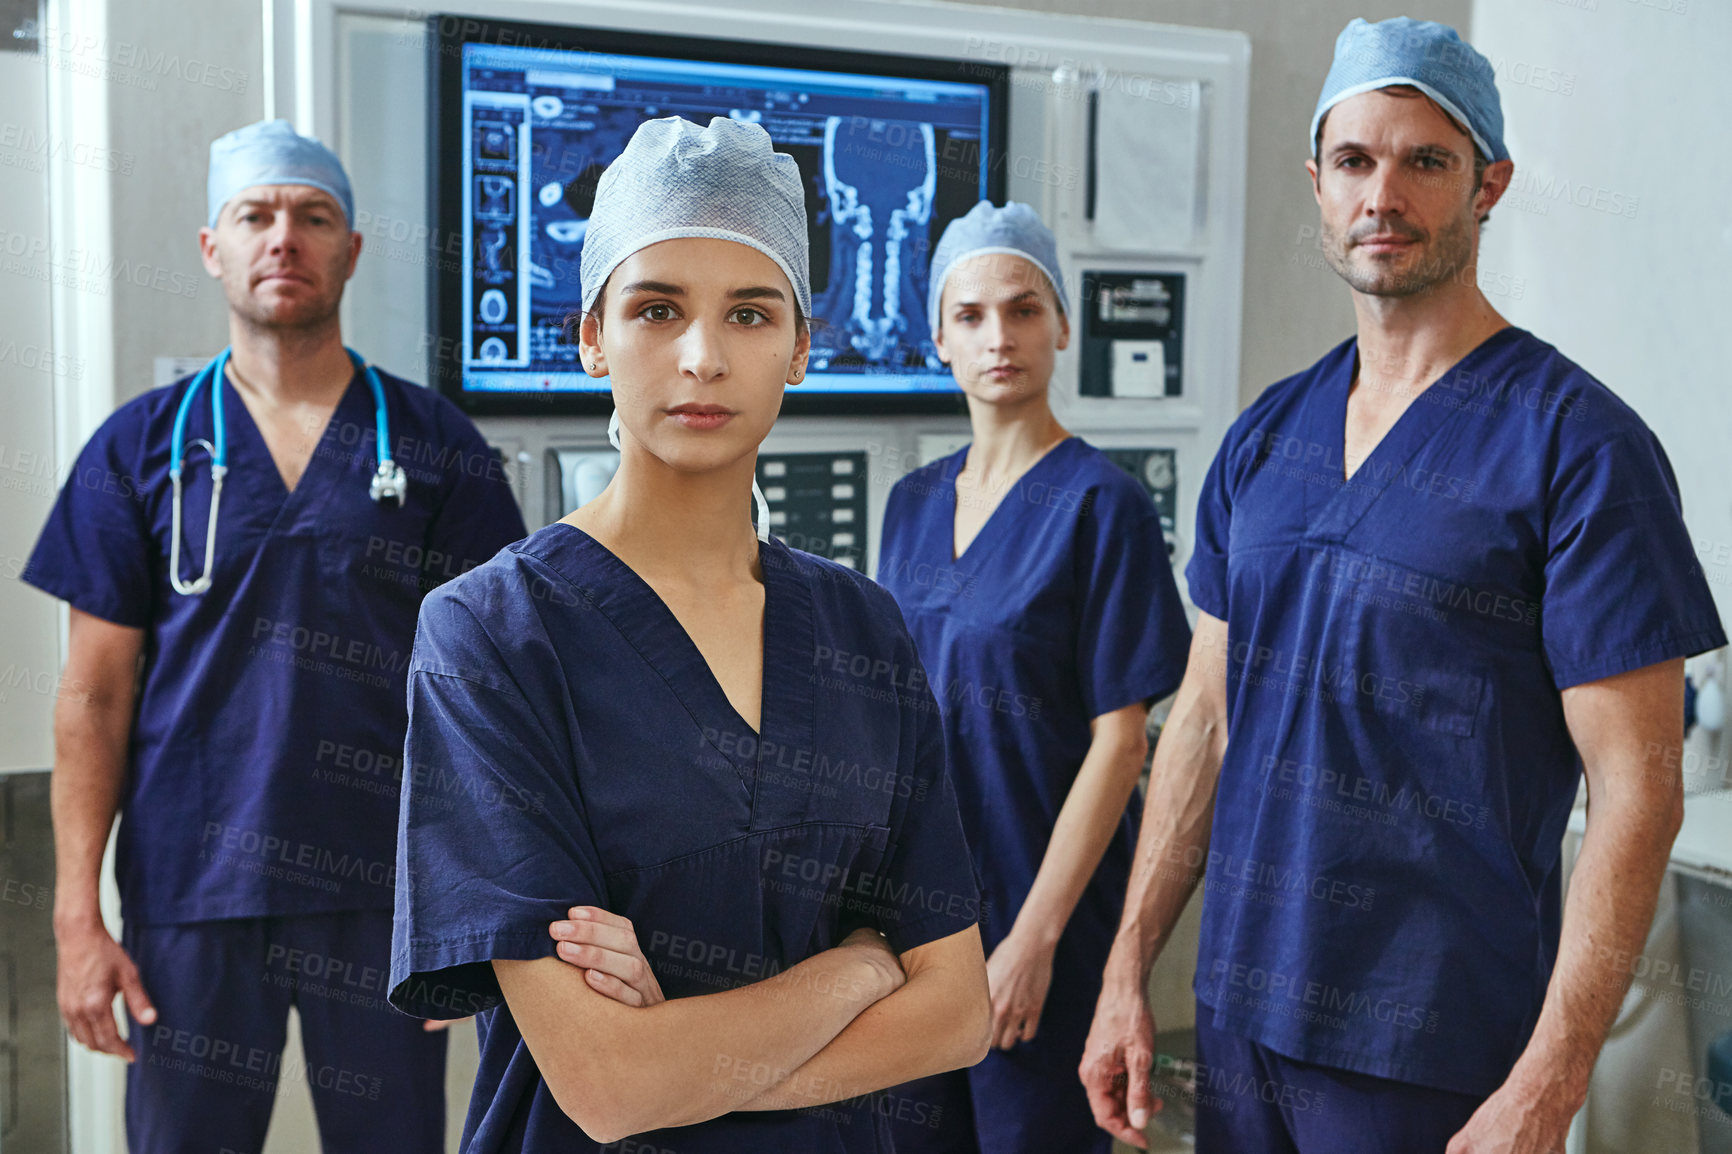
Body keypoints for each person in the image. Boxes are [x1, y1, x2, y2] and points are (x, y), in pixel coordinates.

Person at [1079, 18, 1725, 1154]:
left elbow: (1640, 790)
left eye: (1426, 159)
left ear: (1490, 184)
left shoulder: (1577, 449)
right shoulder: (1265, 438)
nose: (1385, 193)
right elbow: (1202, 726)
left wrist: (1550, 1077)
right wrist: (1127, 966)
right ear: (1318, 184)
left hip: (1433, 1038)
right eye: (1355, 160)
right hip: (1235, 1011)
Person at [388, 115, 991, 1153]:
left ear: (801, 346)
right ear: (591, 336)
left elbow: (960, 1009)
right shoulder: (491, 635)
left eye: (750, 314)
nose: (703, 356)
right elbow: (611, 1086)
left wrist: (682, 1059)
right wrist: (852, 969)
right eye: (656, 308)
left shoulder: (862, 627)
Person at [24, 119, 527, 1153]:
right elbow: (93, 695)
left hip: (385, 899)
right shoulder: (140, 448)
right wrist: (79, 917)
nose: (282, 238)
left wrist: (481, 903)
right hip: (191, 891)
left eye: (313, 215)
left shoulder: (434, 446)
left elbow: (489, 693)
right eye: (255, 215)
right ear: (215, 246)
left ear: (349, 249)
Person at [872, 201, 1192, 1153]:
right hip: (918, 919)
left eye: (1022, 309)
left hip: (1041, 915)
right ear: (937, 339)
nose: (998, 337)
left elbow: (1121, 738)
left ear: (1062, 327)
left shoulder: (1105, 506)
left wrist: (1033, 942)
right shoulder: (912, 505)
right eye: (969, 316)